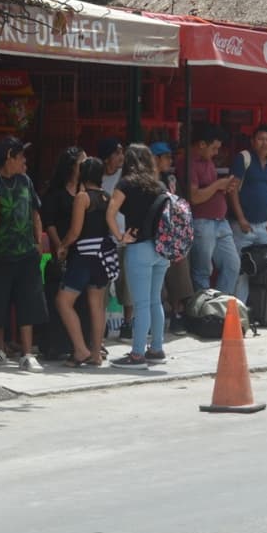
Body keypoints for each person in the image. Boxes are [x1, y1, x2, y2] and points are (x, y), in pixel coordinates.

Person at [0, 138, 47, 372]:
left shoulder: (25, 181)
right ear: (9, 156)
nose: (24, 161)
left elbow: (34, 212)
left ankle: (27, 353)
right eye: (21, 156)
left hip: (26, 252)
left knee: (27, 303)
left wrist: (38, 241)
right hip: (0, 252)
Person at [107, 144, 169, 369]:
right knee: (155, 300)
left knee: (141, 303)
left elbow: (111, 212)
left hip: (139, 248)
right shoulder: (160, 186)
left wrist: (119, 236)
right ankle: (157, 348)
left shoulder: (126, 184)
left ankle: (136, 355)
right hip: (162, 250)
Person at [55, 158, 112, 367]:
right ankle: (96, 353)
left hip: (83, 256)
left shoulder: (82, 197)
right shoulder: (107, 197)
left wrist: (63, 245)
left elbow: (75, 231)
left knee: (63, 301)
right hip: (103, 257)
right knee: (97, 305)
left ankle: (80, 350)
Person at [41, 146, 85, 356]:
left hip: (82, 251)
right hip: (63, 250)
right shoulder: (55, 193)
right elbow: (49, 223)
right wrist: (60, 246)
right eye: (81, 163)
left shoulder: (85, 190)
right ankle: (58, 345)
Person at [228, 123, 267, 305]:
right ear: (253, 141)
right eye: (260, 139)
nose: (264, 143)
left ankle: (255, 309)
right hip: (243, 226)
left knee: (260, 270)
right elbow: (232, 190)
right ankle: (236, 310)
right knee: (239, 269)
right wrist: (241, 219)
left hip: (264, 227)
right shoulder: (244, 158)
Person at [188, 124, 241, 296]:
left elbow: (209, 189)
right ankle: (203, 312)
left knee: (233, 265)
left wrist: (223, 187)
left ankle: (219, 307)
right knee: (202, 271)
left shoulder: (208, 161)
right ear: (202, 144)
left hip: (220, 221)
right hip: (202, 221)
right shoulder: (188, 163)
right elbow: (194, 197)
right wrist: (219, 184)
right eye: (214, 148)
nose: (216, 153)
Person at [153, 141, 193, 333]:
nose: (170, 160)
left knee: (179, 273)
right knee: (155, 281)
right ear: (155, 159)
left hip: (174, 234)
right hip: (153, 234)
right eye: (166, 157)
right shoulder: (148, 180)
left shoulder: (172, 179)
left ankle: (177, 314)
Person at [98, 137, 132, 339]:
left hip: (125, 236)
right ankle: (99, 325)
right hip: (105, 238)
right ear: (106, 158)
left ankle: (128, 324)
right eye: (116, 153)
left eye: (122, 152)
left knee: (126, 284)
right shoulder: (98, 179)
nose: (121, 157)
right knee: (101, 286)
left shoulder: (125, 177)